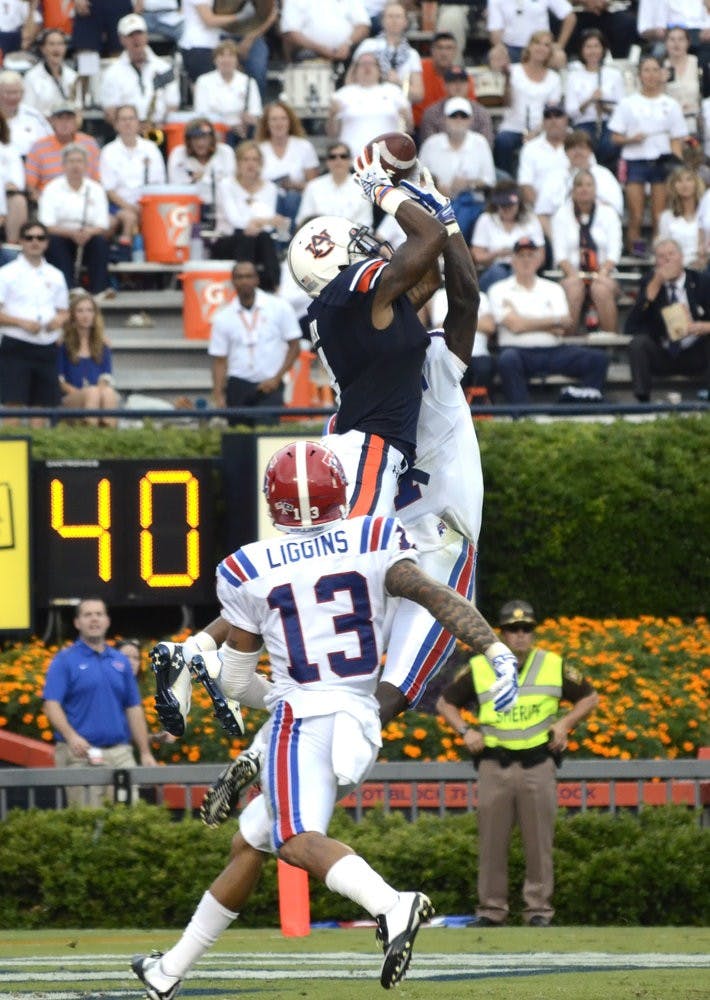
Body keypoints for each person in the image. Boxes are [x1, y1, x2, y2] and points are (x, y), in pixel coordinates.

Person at [132, 439, 518, 997]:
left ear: (273, 503)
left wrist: (224, 676)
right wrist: (496, 651)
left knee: (293, 840)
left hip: (303, 722)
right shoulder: (374, 536)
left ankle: (391, 903)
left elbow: (240, 683)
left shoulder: (248, 568)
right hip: (360, 720)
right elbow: (436, 596)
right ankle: (169, 970)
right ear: (341, 492)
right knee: (252, 841)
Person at [436, 598, 598, 927]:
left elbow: (589, 697)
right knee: (491, 843)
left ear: (533, 633)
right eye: (512, 629)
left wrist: (564, 724)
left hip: (537, 763)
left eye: (526, 629)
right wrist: (465, 731)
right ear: (501, 634)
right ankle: (491, 911)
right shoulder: (481, 666)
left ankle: (538, 911)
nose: (520, 635)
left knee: (539, 844)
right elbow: (445, 702)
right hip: (495, 764)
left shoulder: (552, 664)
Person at [42, 597, 158, 808]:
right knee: (88, 824)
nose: (94, 619)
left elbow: (133, 709)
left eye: (99, 614)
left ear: (107, 621)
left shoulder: (120, 662)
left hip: (121, 753)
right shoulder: (64, 660)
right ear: (77, 623)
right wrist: (71, 737)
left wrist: (144, 752)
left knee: (128, 820)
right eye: (88, 615)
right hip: (81, 755)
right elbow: (51, 705)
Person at [488, 235, 609, 403]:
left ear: (538, 260)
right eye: (521, 256)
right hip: (517, 352)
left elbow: (562, 327)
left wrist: (523, 320)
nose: (526, 260)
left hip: (553, 351)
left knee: (598, 359)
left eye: (530, 255)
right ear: (512, 260)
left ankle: (578, 405)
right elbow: (515, 326)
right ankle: (521, 414)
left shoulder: (553, 288)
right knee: (507, 360)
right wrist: (552, 320)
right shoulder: (498, 290)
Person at [608, 54, 688, 257]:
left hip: (661, 162)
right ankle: (638, 253)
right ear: (639, 75)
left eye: (655, 70)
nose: (651, 75)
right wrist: (631, 140)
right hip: (635, 161)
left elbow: (677, 138)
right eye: (646, 70)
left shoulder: (670, 104)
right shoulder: (628, 103)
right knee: (635, 214)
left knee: (658, 216)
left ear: (662, 74)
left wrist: (677, 165)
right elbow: (615, 137)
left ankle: (657, 255)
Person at [208, 260, 301, 425]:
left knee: (266, 436)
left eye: (249, 276)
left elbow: (294, 346)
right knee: (238, 438)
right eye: (239, 277)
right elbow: (219, 359)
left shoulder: (279, 307)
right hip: (238, 384)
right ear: (232, 281)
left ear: (257, 279)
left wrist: (277, 378)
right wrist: (218, 394)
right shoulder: (223, 316)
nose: (244, 281)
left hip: (269, 384)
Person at [624, 237, 710, 402]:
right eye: (661, 256)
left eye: (671, 254)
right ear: (656, 263)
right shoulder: (649, 282)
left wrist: (700, 326)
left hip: (695, 351)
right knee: (638, 343)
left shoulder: (702, 282)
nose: (667, 259)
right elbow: (631, 326)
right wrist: (654, 288)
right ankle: (642, 401)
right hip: (663, 351)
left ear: (682, 258)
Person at [0, 220, 68, 425]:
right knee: (13, 402)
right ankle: (8, 455)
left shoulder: (56, 275)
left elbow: (64, 311)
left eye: (40, 238)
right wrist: (22, 323)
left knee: (42, 404)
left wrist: (58, 320)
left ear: (47, 242)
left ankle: (37, 453)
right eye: (29, 237)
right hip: (16, 344)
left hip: (46, 345)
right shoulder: (6, 273)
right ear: (21, 241)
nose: (35, 242)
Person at [551, 169, 621, 334]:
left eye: (589, 185)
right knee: (574, 288)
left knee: (601, 288)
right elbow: (560, 254)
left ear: (595, 189)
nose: (584, 189)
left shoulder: (609, 213)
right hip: (571, 273)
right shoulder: (561, 214)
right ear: (573, 191)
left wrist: (601, 273)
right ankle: (569, 345)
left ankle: (610, 345)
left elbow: (614, 252)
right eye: (579, 185)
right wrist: (574, 275)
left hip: (604, 272)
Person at [418, 97, 496, 244]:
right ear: (445, 120)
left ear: (470, 120)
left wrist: (468, 184)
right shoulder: (431, 144)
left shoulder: (480, 142)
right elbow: (418, 176)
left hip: (471, 204)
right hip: (436, 203)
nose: (458, 120)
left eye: (463, 116)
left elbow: (489, 181)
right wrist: (437, 186)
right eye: (454, 116)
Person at [211, 140, 287, 291]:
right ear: (238, 163)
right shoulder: (225, 185)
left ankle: (275, 287)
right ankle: (250, 288)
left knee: (263, 238)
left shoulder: (270, 188)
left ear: (260, 163)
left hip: (258, 239)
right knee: (247, 237)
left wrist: (258, 223)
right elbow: (235, 221)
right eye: (245, 159)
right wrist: (263, 221)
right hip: (227, 240)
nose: (250, 164)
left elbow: (267, 227)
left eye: (254, 159)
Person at [38, 143, 111, 297]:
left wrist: (87, 233)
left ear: (86, 165)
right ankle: (68, 289)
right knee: (54, 242)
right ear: (63, 165)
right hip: (62, 235)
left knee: (100, 242)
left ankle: (99, 290)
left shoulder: (96, 188)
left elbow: (102, 224)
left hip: (88, 235)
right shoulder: (52, 188)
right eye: (71, 161)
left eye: (79, 161)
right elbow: (46, 224)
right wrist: (71, 233)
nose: (75, 166)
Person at [493, 31, 563, 178]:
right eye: (537, 43)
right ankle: (505, 184)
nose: (541, 48)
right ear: (529, 46)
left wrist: (535, 133)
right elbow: (506, 103)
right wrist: (507, 82)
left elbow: (552, 112)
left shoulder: (554, 78)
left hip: (541, 129)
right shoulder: (513, 70)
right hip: (513, 127)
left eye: (546, 45)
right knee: (502, 142)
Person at [327, 52, 412, 167]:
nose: (367, 67)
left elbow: (409, 128)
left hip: (387, 162)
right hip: (353, 163)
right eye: (362, 64)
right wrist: (332, 115)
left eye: (371, 64)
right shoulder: (342, 94)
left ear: (379, 70)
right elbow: (332, 134)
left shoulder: (393, 92)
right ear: (355, 70)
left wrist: (407, 117)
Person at [534, 129, 623, 238]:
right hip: (562, 235)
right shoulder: (554, 177)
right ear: (566, 152)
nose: (577, 151)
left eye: (582, 147)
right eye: (572, 148)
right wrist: (557, 243)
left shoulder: (604, 175)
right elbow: (542, 214)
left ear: (590, 151)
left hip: (598, 236)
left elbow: (614, 212)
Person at [99, 103, 166, 246]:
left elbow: (159, 184)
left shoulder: (151, 149)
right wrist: (131, 207)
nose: (127, 123)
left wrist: (144, 208)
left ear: (138, 123)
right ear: (116, 124)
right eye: (123, 119)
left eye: (131, 118)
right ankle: (124, 252)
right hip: (118, 205)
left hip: (149, 205)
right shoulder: (108, 151)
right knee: (128, 218)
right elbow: (109, 190)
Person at [99, 13, 180, 128]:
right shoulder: (112, 73)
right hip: (126, 132)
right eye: (130, 35)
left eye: (139, 33)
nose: (136, 39)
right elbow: (110, 111)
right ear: (122, 39)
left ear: (146, 36)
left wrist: (158, 128)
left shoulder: (164, 68)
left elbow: (173, 105)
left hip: (159, 129)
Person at [562, 28, 625, 170]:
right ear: (582, 50)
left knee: (609, 144)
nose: (592, 51)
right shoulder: (574, 76)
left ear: (603, 49)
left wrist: (606, 108)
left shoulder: (613, 75)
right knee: (585, 142)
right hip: (584, 123)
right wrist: (590, 100)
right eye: (588, 47)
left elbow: (622, 108)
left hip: (608, 122)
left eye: (596, 46)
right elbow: (570, 111)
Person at [179, 0, 276, 90]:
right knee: (206, 85)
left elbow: (271, 11)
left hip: (238, 37)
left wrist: (248, 40)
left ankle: (256, 107)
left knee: (255, 71)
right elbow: (209, 20)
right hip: (202, 44)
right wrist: (240, 16)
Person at [57, 291, 120, 425]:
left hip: (97, 393)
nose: (85, 315)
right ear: (73, 315)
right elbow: (59, 381)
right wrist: (85, 393)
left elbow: (106, 376)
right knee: (92, 393)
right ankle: (89, 438)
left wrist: (98, 391)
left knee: (108, 393)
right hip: (70, 397)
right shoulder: (63, 345)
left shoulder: (103, 344)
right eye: (80, 311)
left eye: (89, 310)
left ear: (95, 315)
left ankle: (111, 440)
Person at [256, 100, 319, 230]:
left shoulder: (304, 147)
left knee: (291, 198)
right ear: (266, 124)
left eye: (283, 119)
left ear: (290, 122)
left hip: (295, 199)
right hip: (267, 199)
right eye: (273, 119)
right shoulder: (259, 149)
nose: (279, 123)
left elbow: (314, 186)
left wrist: (294, 185)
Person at [471, 182, 545, 292]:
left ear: (518, 204)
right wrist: (497, 254)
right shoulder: (486, 219)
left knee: (517, 274)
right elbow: (477, 255)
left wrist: (523, 261)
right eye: (503, 206)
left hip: (524, 269)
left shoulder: (531, 220)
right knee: (498, 272)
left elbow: (541, 255)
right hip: (494, 269)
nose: (507, 209)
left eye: (510, 205)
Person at [167, 117, 235, 231]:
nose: (200, 143)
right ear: (188, 141)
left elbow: (230, 187)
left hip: (220, 207)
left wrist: (205, 178)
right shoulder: (178, 154)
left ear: (212, 138)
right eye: (195, 138)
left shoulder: (226, 153)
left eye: (204, 138)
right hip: (189, 209)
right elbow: (177, 188)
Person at [25, 101, 101, 202]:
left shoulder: (90, 143)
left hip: (84, 201)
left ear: (76, 121)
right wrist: (44, 203)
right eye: (60, 118)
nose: (64, 123)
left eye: (69, 118)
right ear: (52, 121)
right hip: (51, 202)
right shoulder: (38, 147)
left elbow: (97, 180)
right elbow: (30, 187)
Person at [351, 1, 424, 105]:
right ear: (382, 21)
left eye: (398, 16)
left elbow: (418, 94)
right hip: (368, 104)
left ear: (405, 22)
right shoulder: (368, 45)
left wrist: (399, 83)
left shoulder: (412, 55)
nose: (394, 20)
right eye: (390, 16)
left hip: (398, 109)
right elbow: (350, 80)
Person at [192, 39, 263, 143]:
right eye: (222, 56)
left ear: (237, 60)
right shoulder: (203, 81)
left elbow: (255, 113)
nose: (226, 60)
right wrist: (229, 127)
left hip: (242, 133)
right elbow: (202, 114)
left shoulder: (248, 81)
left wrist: (247, 121)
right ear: (215, 60)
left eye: (231, 56)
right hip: (214, 132)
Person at [295, 141, 373, 229]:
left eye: (343, 156)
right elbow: (303, 221)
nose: (338, 160)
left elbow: (366, 224)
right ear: (327, 162)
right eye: (333, 157)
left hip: (351, 239)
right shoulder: (313, 187)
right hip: (318, 238)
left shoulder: (362, 188)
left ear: (350, 160)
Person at [411, 31, 476, 131]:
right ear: (432, 50)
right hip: (418, 128)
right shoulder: (418, 70)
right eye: (439, 48)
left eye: (449, 48)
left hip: (453, 128)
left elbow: (471, 109)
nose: (444, 53)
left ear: (455, 51)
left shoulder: (463, 78)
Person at [418, 65, 494, 148]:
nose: (458, 86)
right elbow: (429, 146)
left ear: (468, 85)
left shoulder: (481, 112)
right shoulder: (431, 113)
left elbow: (486, 146)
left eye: (462, 81)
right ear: (444, 86)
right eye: (453, 82)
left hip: (473, 158)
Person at [487, 0, 576, 68]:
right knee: (496, 56)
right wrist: (499, 47)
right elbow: (495, 28)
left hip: (541, 47)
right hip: (511, 48)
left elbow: (570, 17)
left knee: (559, 57)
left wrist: (560, 45)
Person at [279, 0, 370, 66]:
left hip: (347, 50)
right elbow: (290, 32)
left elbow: (363, 25)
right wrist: (320, 49)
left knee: (367, 58)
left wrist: (347, 44)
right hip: (309, 52)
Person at [516, 103, 569, 209]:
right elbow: (525, 185)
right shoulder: (530, 148)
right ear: (543, 122)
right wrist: (541, 210)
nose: (553, 121)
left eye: (558, 116)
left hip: (572, 211)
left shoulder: (579, 145)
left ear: (566, 120)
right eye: (548, 117)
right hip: (539, 209)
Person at [22, 27, 80, 119]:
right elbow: (28, 111)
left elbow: (78, 109)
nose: (56, 48)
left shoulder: (73, 76)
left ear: (65, 48)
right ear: (43, 48)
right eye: (51, 44)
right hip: (41, 129)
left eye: (60, 44)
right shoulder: (31, 77)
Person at [657, 166, 706, 270]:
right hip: (676, 268)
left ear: (696, 184)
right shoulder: (666, 217)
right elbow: (664, 246)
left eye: (689, 180)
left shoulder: (706, 214)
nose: (684, 185)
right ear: (673, 186)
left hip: (704, 266)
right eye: (679, 181)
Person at [0, 69, 50, 157]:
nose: (12, 97)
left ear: (23, 93)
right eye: (8, 93)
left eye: (16, 92)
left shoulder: (34, 116)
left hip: (31, 166)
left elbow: (49, 144)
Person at [0, 106, 26, 242]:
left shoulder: (9, 149)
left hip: (4, 198)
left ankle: (12, 249)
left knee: (18, 201)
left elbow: (16, 183)